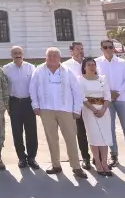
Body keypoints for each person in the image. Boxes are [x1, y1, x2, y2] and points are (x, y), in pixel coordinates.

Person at [30, 47, 89, 178]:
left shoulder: (67, 71)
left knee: (71, 138)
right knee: (52, 139)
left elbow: (77, 91)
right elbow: (32, 88)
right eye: (49, 55)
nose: (52, 57)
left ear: (59, 58)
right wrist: (35, 105)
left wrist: (76, 109)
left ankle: (76, 166)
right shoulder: (39, 70)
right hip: (46, 109)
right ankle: (56, 165)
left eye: (55, 55)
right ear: (45, 57)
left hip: (66, 109)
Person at [2, 45, 39, 169]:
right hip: (14, 103)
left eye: (19, 52)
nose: (17, 55)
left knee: (31, 132)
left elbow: (36, 86)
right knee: (17, 132)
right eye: (15, 53)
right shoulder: (6, 69)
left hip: (28, 103)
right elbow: (3, 87)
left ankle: (32, 157)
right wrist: (6, 105)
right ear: (11, 55)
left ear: (23, 54)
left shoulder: (31, 68)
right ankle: (22, 158)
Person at [96, 39, 125, 166]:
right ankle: (114, 156)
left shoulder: (122, 63)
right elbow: (96, 80)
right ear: (102, 48)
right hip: (106, 101)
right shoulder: (97, 62)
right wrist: (108, 94)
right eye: (105, 47)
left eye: (110, 47)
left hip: (121, 99)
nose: (108, 49)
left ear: (113, 48)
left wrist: (117, 93)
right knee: (110, 129)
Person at [79, 57, 114, 177]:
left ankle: (105, 162)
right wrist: (94, 109)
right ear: (84, 67)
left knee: (104, 137)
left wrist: (103, 109)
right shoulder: (81, 80)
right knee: (94, 136)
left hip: (104, 110)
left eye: (93, 64)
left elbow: (107, 96)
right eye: (89, 65)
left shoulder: (102, 79)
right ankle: (97, 162)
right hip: (89, 111)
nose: (91, 66)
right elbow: (82, 97)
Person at [62, 41, 93, 169]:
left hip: (92, 103)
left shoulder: (90, 63)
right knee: (81, 132)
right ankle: (86, 158)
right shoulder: (65, 66)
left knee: (94, 131)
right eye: (78, 49)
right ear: (71, 52)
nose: (81, 51)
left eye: (82, 48)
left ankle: (98, 156)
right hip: (76, 104)